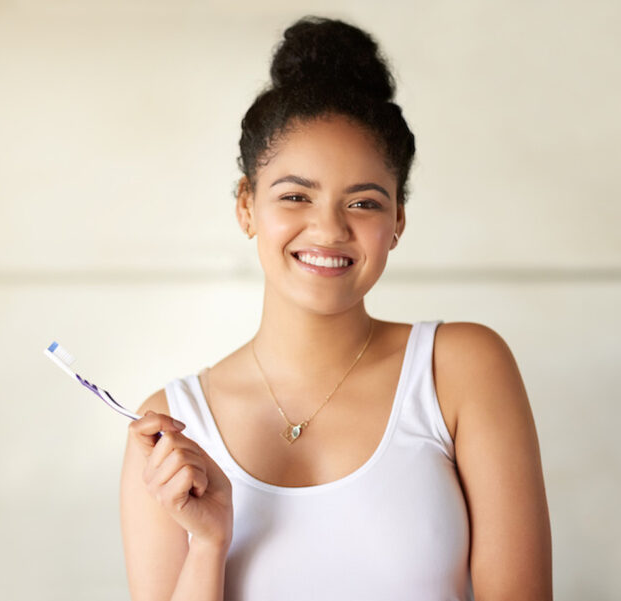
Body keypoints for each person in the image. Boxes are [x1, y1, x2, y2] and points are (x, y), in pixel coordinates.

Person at [120, 15, 552, 601]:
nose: (328, 229)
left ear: (398, 220)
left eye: (365, 203)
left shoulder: (461, 369)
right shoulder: (172, 428)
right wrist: (207, 545)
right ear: (246, 205)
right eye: (295, 196)